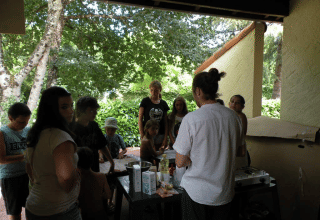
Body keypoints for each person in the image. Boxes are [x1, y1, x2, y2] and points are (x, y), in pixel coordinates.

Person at [173, 68, 245, 220]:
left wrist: (194, 156)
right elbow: (240, 151)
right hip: (225, 193)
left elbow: (179, 162)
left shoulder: (191, 119)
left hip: (196, 194)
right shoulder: (234, 117)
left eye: (193, 92)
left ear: (198, 91)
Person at [25, 86, 82, 219]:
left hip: (34, 205)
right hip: (59, 209)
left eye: (71, 106)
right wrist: (77, 173)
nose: (71, 111)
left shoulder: (36, 134)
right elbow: (66, 179)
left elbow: (29, 170)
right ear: (51, 110)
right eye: (64, 107)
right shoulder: (60, 137)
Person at [0, 103, 31, 220]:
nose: (24, 125)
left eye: (27, 122)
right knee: (15, 212)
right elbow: (1, 159)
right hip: (10, 178)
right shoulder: (2, 132)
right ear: (10, 118)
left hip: (27, 174)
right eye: (21, 122)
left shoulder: (28, 130)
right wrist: (24, 155)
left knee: (31, 208)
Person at [71, 96, 114, 173]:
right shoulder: (71, 129)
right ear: (82, 111)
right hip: (78, 173)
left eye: (95, 110)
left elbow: (102, 145)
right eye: (91, 110)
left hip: (94, 169)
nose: (95, 112)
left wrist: (112, 162)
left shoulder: (94, 126)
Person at [77, 147, 111, 220]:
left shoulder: (77, 181)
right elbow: (108, 194)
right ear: (93, 161)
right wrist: (98, 196)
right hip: (101, 215)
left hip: (85, 216)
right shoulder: (101, 176)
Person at [139, 80, 169, 151]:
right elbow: (140, 119)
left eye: (156, 90)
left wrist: (165, 138)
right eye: (151, 90)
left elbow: (166, 122)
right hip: (148, 134)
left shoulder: (163, 103)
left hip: (160, 134)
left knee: (159, 156)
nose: (153, 92)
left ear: (160, 90)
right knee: (148, 156)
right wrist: (142, 135)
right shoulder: (145, 101)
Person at [229, 94, 250, 168]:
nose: (234, 104)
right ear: (229, 104)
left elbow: (242, 134)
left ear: (242, 106)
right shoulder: (229, 115)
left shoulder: (241, 116)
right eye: (232, 101)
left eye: (237, 103)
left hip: (238, 146)